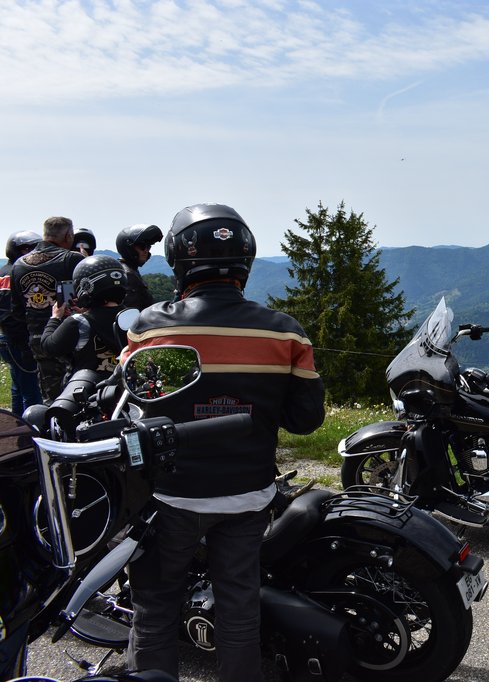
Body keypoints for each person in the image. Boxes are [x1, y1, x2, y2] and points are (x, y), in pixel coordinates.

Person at [124, 203, 325, 682]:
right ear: (246, 259)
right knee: (239, 606)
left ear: (177, 258)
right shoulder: (285, 331)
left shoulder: (150, 326)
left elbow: (131, 398)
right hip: (248, 494)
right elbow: (305, 421)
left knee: (155, 606)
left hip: (171, 496)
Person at [9, 216, 85, 403]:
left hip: (38, 340)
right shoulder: (72, 259)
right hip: (69, 338)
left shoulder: (19, 264)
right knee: (79, 394)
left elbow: (17, 310)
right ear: (68, 235)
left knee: (51, 398)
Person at [39, 255, 127, 379]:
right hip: (126, 385)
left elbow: (48, 347)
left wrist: (55, 317)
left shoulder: (78, 322)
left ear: (85, 287)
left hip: (89, 386)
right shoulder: (134, 317)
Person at [0, 230, 44, 414]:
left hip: (6, 338)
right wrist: (25, 341)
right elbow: (10, 313)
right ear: (24, 250)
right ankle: (32, 427)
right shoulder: (18, 273)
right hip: (19, 339)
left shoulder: (3, 273)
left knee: (18, 387)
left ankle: (16, 423)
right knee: (31, 390)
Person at [116, 223, 163, 310]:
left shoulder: (128, 270)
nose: (146, 251)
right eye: (142, 246)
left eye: (148, 247)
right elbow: (133, 311)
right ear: (129, 248)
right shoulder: (128, 275)